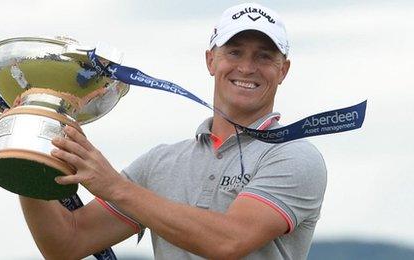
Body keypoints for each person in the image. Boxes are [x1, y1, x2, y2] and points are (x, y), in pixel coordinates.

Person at [19, 2, 327, 259]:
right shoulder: (161, 163)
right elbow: (66, 242)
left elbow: (230, 240)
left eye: (264, 56)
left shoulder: (294, 156)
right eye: (234, 52)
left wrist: (114, 185)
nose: (247, 67)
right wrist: (24, 150)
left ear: (283, 70)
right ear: (211, 60)